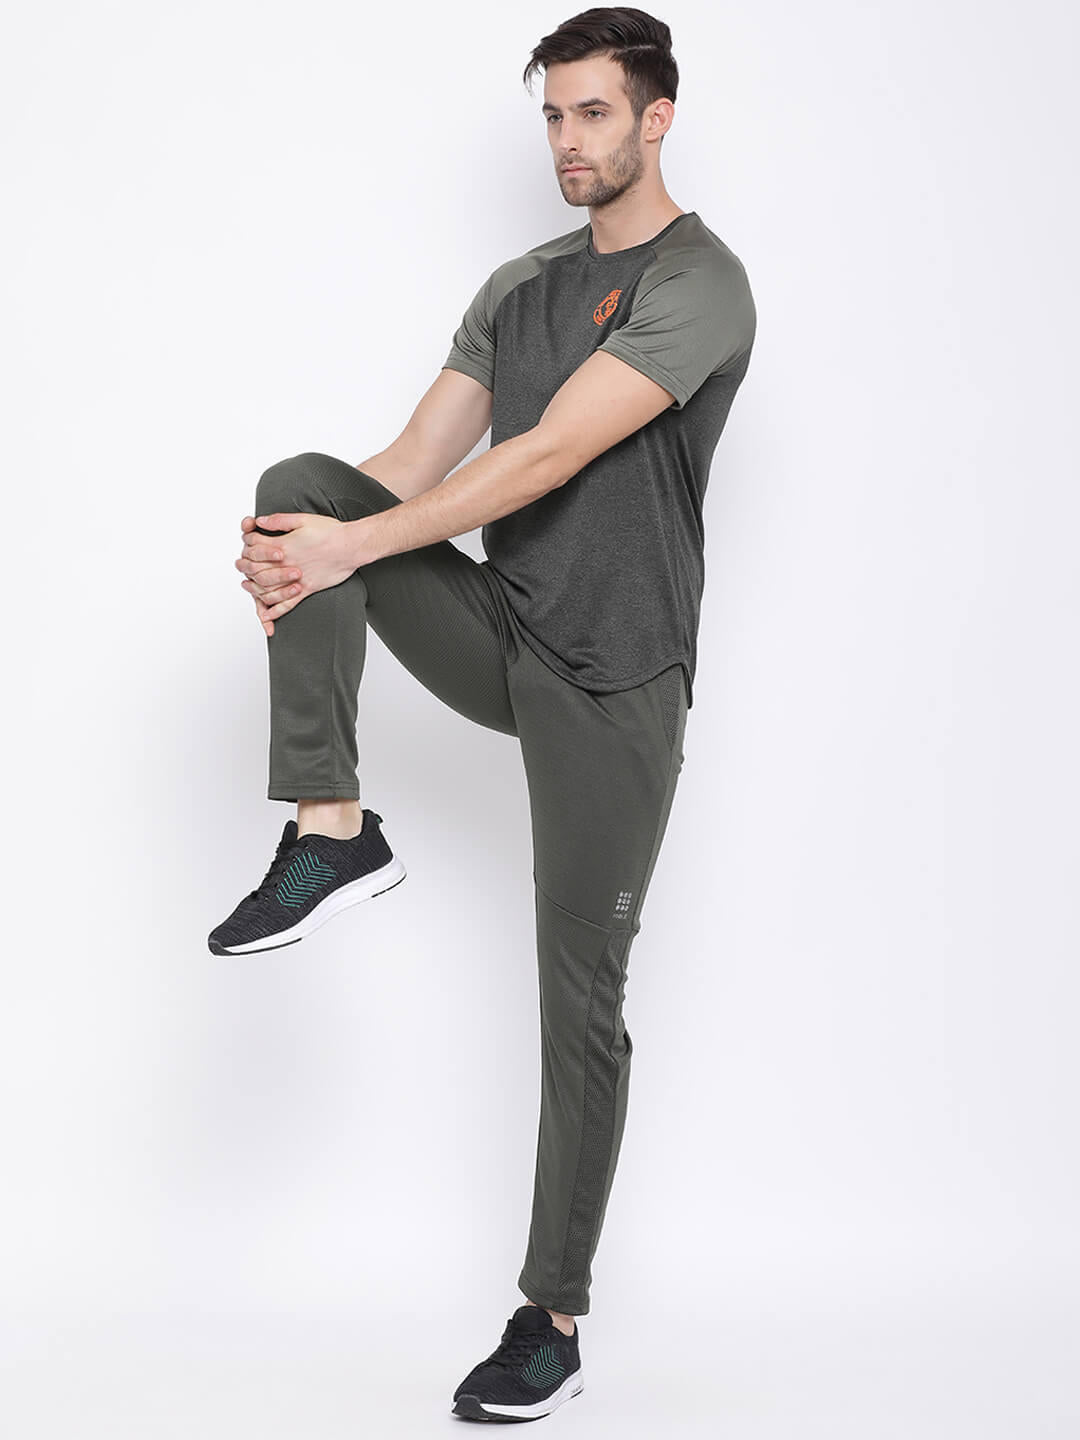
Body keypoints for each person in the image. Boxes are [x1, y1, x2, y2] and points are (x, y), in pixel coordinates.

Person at [208, 5, 755, 1422]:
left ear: (657, 118)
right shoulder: (518, 285)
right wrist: (304, 561)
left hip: (617, 679)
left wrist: (350, 553)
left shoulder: (702, 283)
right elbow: (407, 466)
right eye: (553, 114)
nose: (569, 139)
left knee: (580, 1001)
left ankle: (550, 1318)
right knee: (302, 490)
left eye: (594, 112)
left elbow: (552, 452)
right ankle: (333, 828)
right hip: (507, 631)